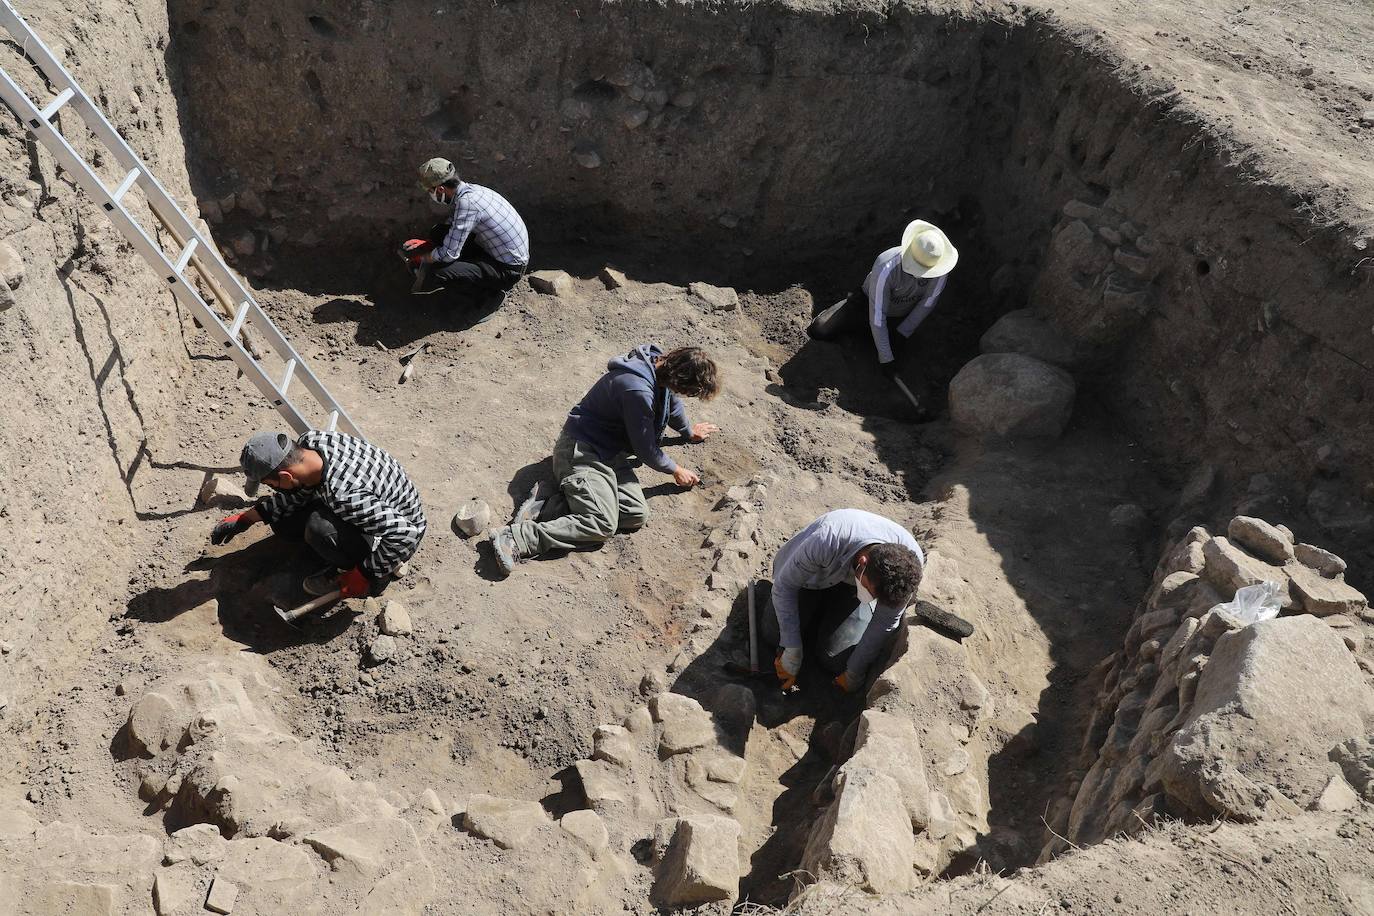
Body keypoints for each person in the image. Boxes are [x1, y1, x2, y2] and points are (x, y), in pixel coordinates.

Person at [489, 344, 721, 576]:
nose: (685, 397)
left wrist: (688, 431)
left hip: (610, 452)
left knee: (635, 513)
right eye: (689, 392)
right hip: (580, 451)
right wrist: (676, 469)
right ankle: (516, 538)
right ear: (678, 378)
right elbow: (645, 449)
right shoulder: (637, 390)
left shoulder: (660, 367)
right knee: (602, 523)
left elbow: (671, 403)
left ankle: (549, 506)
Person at [209, 430, 427, 599]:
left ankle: (372, 576)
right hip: (377, 503)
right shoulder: (311, 442)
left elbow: (405, 535)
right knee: (284, 520)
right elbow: (299, 492)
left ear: (285, 476)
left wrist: (365, 574)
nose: (272, 489)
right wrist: (246, 519)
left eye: (271, 484)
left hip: (398, 530)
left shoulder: (344, 495)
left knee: (318, 529)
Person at [763, 509, 925, 693]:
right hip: (810, 580)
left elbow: (885, 621)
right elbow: (784, 587)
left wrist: (854, 672)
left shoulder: (908, 568)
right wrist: (791, 646)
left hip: (849, 590)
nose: (873, 599)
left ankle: (824, 617)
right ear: (863, 563)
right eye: (872, 593)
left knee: (836, 660)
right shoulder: (828, 539)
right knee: (773, 634)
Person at [808, 219, 957, 376]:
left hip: (898, 318)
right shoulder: (886, 266)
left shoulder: (938, 270)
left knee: (899, 351)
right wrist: (886, 358)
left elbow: (927, 304)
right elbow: (877, 315)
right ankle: (862, 332)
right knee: (820, 329)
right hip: (865, 306)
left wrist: (903, 332)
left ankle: (874, 338)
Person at [400, 157, 529, 316]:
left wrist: (422, 259)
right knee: (439, 232)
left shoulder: (468, 204)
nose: (430, 195)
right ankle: (475, 276)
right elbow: (454, 226)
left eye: (430, 191)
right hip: (497, 253)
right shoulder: (471, 191)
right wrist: (427, 243)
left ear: (440, 189)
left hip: (508, 270)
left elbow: (448, 254)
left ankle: (486, 298)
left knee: (441, 272)